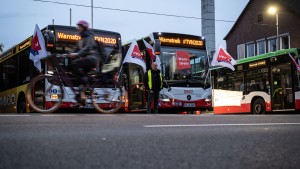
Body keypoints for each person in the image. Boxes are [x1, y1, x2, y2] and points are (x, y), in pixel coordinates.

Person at [68, 20, 100, 106]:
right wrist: (66, 54)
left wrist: (76, 54)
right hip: (86, 60)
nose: (78, 28)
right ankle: (81, 99)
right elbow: (75, 49)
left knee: (75, 64)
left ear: (84, 28)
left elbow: (87, 49)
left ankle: (85, 81)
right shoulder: (81, 40)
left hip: (92, 58)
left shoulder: (89, 37)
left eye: (80, 27)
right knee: (79, 78)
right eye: (78, 27)